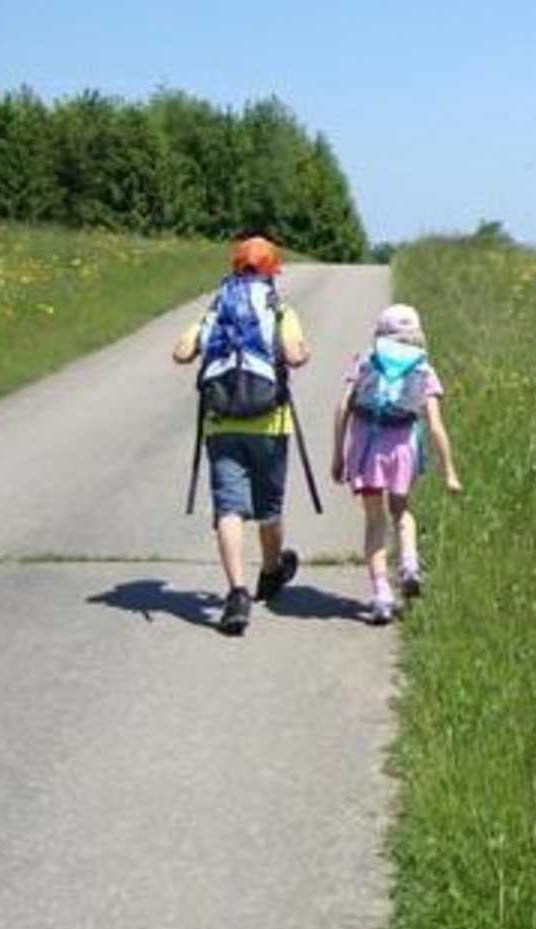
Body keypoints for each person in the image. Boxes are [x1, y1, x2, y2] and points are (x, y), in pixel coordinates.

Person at [173, 234, 311, 635]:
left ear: (235, 269)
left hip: (221, 424)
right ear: (272, 273)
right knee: (269, 507)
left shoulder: (216, 309)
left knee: (229, 509)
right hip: (270, 423)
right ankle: (270, 571)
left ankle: (236, 593)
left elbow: (181, 353)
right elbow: (296, 356)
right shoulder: (280, 309)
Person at [330, 303, 461, 624]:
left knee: (375, 522)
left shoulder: (365, 360)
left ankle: (382, 595)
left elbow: (342, 406)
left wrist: (337, 453)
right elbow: (435, 425)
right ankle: (410, 564)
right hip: (403, 447)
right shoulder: (423, 368)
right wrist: (450, 472)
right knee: (402, 511)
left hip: (366, 448)